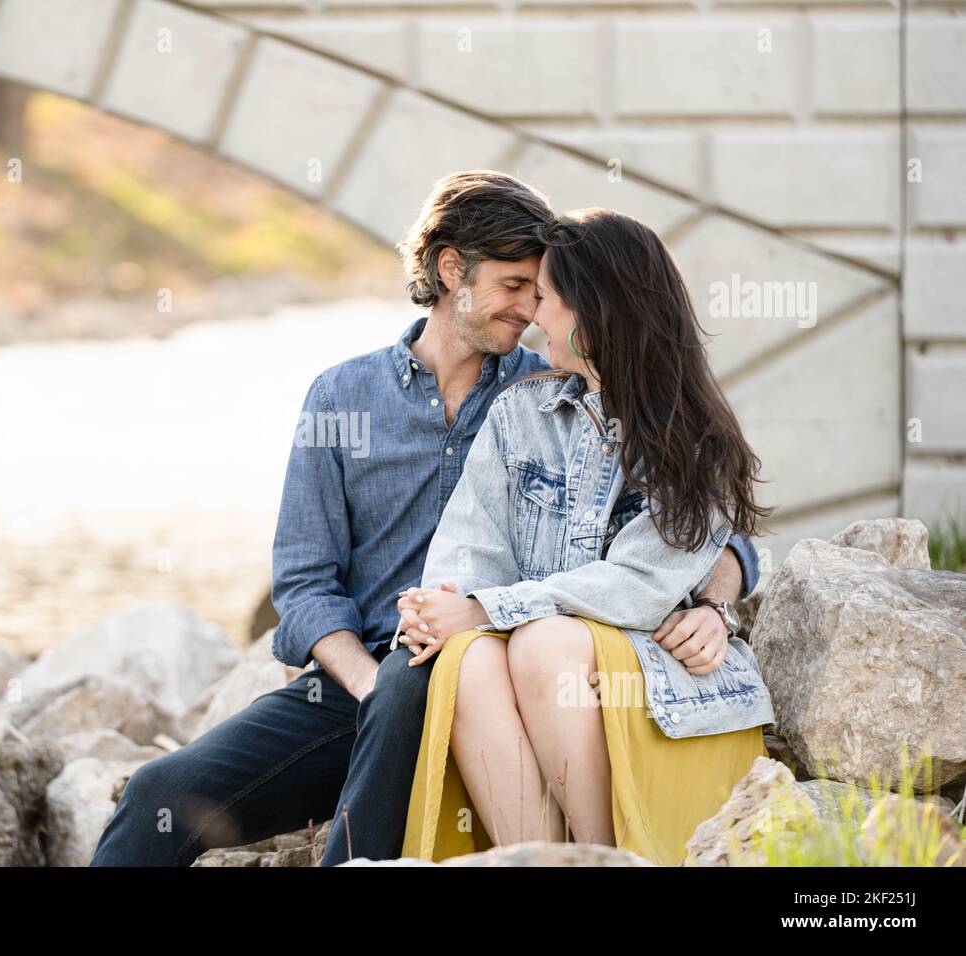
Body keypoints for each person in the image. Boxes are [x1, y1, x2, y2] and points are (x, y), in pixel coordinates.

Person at [90, 174, 758, 867]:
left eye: (541, 292)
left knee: (421, 681)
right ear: (450, 272)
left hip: (482, 667)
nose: (529, 310)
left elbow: (699, 518)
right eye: (513, 287)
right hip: (359, 683)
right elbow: (304, 585)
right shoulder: (344, 396)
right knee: (158, 796)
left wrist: (714, 600)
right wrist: (367, 682)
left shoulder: (551, 389)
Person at [393, 207, 777, 866]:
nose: (533, 315)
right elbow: (468, 546)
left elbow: (639, 589)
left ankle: (603, 858)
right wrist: (441, 605)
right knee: (468, 661)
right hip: (544, 676)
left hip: (661, 682)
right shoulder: (521, 414)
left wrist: (486, 609)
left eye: (546, 298)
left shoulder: (696, 437)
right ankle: (541, 859)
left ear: (596, 311)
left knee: (544, 643)